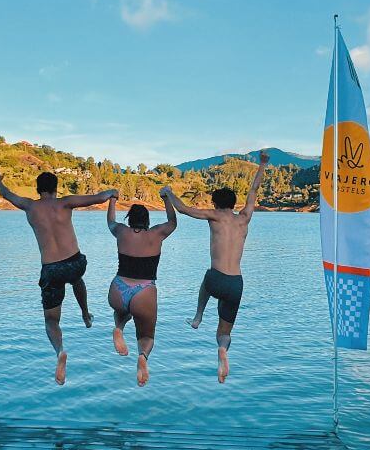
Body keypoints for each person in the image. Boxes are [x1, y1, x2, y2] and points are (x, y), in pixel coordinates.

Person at [0, 166, 117, 385]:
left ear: (38, 189)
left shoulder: (29, 206)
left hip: (51, 269)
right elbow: (98, 198)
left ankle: (59, 351)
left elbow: (6, 194)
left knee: (51, 321)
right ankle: (86, 315)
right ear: (56, 189)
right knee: (76, 277)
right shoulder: (65, 202)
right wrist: (111, 192)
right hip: (75, 262)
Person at [160, 150, 268, 383]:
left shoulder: (214, 216)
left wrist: (169, 193)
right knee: (224, 332)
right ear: (233, 203)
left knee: (207, 281)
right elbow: (253, 191)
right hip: (236, 283)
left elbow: (185, 210)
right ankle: (222, 350)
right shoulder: (244, 217)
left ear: (217, 204)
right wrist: (262, 165)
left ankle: (198, 316)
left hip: (216, 278)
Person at [106, 193, 177, 387]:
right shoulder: (157, 233)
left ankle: (118, 328)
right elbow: (172, 222)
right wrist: (166, 199)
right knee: (146, 336)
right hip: (144, 291)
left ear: (129, 220)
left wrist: (112, 200)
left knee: (121, 311)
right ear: (147, 220)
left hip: (118, 288)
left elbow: (111, 221)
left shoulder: (121, 231)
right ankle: (143, 357)